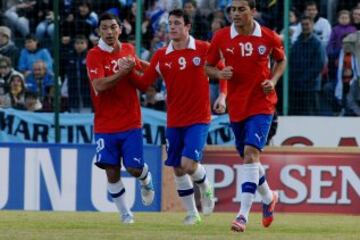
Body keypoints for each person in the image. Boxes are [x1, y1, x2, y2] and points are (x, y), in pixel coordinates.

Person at [127, 9, 226, 225]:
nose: (172, 27)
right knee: (177, 167)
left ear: (188, 27)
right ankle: (192, 213)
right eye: (170, 23)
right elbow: (144, 84)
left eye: (177, 23)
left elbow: (222, 71)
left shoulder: (203, 48)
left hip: (199, 118)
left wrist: (223, 96)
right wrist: (130, 69)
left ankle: (206, 186)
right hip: (174, 120)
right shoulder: (161, 55)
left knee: (189, 164)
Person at [205, 0, 286, 233]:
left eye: (241, 9)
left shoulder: (269, 36)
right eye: (233, 9)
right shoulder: (221, 37)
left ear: (253, 11)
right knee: (250, 160)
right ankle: (269, 197)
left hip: (262, 105)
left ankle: (242, 216)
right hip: (237, 107)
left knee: (251, 155)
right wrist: (219, 72)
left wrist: (272, 80)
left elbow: (281, 60)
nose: (236, 13)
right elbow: (206, 67)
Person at [85, 13, 155, 224]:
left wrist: (151, 66)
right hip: (105, 123)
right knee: (112, 171)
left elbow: (141, 73)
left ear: (120, 30)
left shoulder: (128, 50)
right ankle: (126, 214)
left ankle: (146, 179)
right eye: (104, 28)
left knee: (133, 168)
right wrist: (122, 72)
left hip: (130, 120)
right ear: (99, 31)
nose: (109, 32)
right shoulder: (93, 55)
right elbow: (99, 86)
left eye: (113, 27)